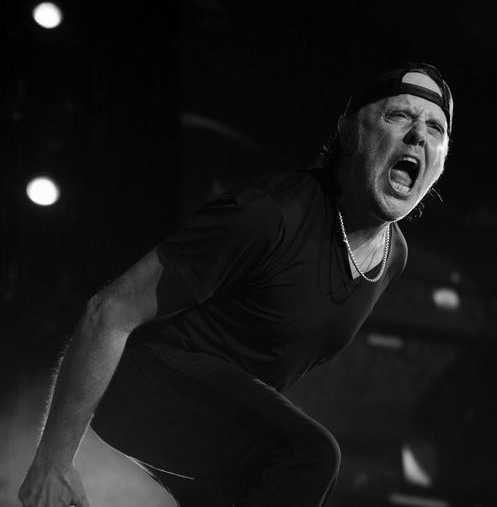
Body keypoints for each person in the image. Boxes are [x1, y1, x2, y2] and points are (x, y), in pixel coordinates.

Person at [18, 62, 454, 507]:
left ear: (440, 164)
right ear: (349, 133)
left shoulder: (392, 257)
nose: (418, 135)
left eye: (435, 128)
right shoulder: (269, 215)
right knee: (310, 455)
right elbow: (108, 312)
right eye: (398, 116)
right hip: (141, 384)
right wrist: (52, 462)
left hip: (220, 410)